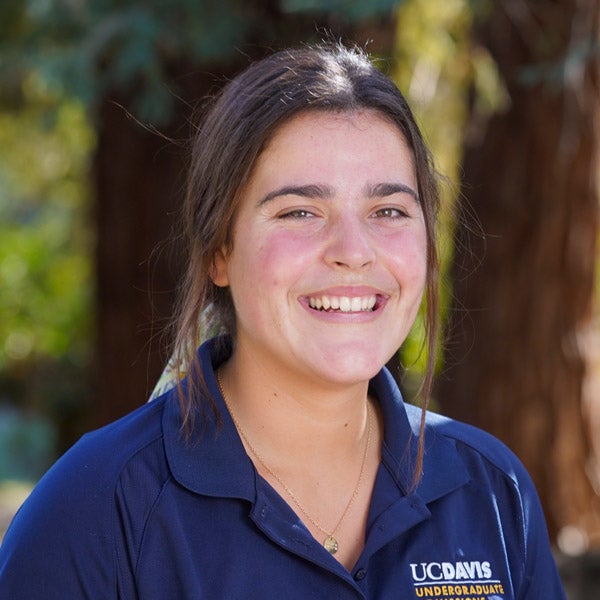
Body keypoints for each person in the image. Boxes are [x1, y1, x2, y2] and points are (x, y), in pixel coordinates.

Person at [0, 43, 566, 599]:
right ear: (219, 251)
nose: (353, 251)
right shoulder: (95, 509)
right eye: (300, 211)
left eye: (388, 211)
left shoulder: (493, 492)